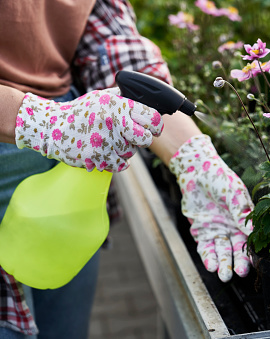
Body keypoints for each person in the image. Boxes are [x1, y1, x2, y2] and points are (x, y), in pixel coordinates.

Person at [0, 1, 253, 338]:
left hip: (75, 141)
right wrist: (37, 122)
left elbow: (111, 40)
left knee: (65, 326)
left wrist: (193, 156)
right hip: (30, 130)